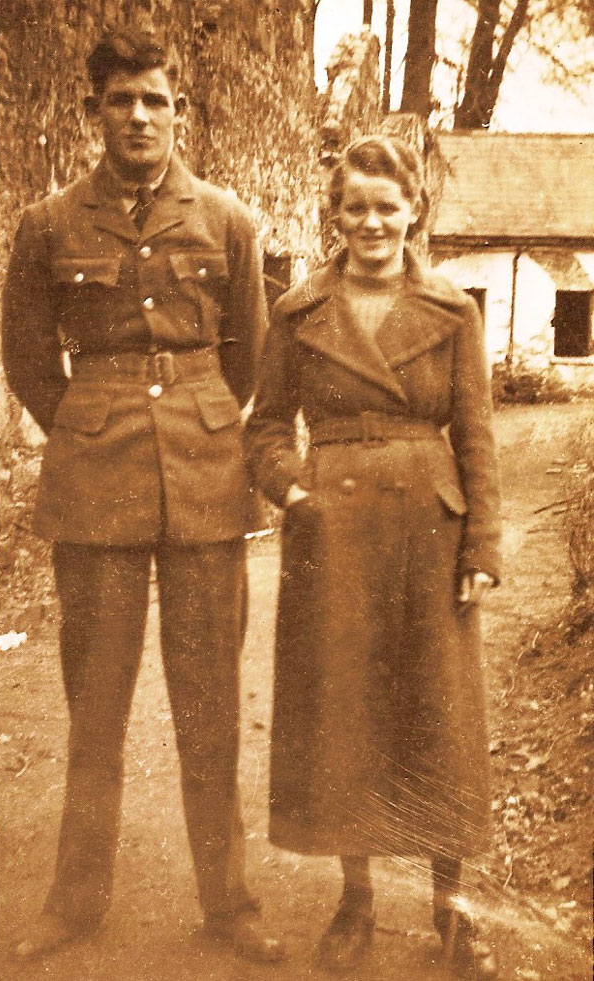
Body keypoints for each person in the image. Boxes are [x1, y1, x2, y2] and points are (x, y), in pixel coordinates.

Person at [2, 27, 285, 964]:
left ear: (179, 111)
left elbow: (249, 351)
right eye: (121, 100)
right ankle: (74, 903)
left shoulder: (228, 220)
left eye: (155, 99)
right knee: (97, 701)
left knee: (207, 700)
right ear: (95, 112)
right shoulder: (49, 224)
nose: (139, 117)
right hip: (95, 480)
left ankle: (230, 903)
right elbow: (29, 356)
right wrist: (86, 420)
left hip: (206, 479)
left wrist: (202, 417)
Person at [245, 134, 502, 978]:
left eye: (387, 207)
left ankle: (449, 903)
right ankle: (355, 901)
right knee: (343, 710)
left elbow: (475, 436)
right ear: (336, 213)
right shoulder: (298, 312)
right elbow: (267, 428)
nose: (371, 223)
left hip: (430, 529)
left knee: (440, 709)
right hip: (337, 535)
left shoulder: (453, 311)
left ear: (414, 212)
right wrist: (295, 494)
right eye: (355, 206)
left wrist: (482, 543)